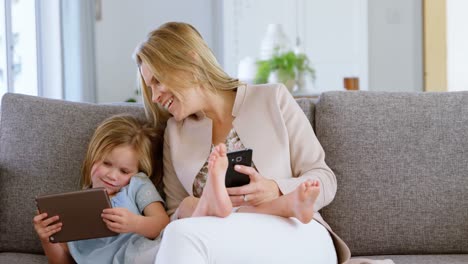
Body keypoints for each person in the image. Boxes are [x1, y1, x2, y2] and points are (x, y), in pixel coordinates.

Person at [134, 22, 351, 264]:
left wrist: (276, 188)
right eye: (149, 87)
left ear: (190, 62)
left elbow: (324, 179)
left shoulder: (272, 99)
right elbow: (176, 214)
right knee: (180, 231)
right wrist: (207, 204)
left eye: (157, 81)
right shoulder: (175, 133)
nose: (154, 97)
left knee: (181, 236)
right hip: (225, 244)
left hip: (297, 234)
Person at [33, 115, 169, 264]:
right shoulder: (72, 207)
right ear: (93, 157)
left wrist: (135, 223)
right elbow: (62, 262)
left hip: (138, 255)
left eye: (124, 171)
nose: (112, 175)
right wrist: (47, 239)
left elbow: (162, 224)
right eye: (106, 163)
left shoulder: (136, 185)